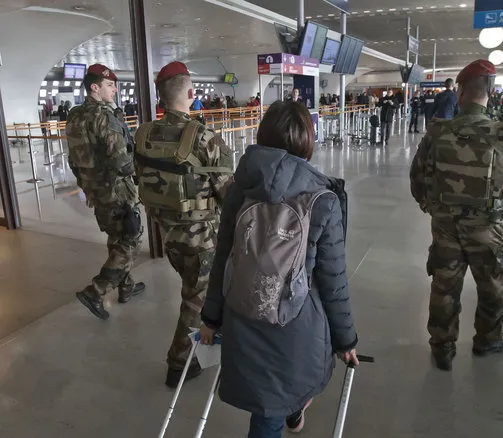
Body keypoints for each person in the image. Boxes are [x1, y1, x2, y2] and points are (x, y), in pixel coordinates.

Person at [200, 101, 358, 437]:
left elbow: (223, 259)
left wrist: (211, 318)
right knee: (271, 412)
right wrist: (346, 340)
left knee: (266, 400)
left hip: (242, 314)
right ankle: (294, 407)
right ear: (307, 142)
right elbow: (333, 282)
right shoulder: (322, 200)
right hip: (297, 323)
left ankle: (291, 406)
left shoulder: (239, 190)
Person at [409, 59, 503, 371]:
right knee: (491, 286)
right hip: (488, 229)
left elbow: (416, 180)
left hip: (445, 227)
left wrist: (433, 207)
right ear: (492, 92)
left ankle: (442, 347)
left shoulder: (437, 133)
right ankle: (488, 339)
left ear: (459, 91)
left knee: (444, 287)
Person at [133, 61, 234, 387]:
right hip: (201, 238)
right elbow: (228, 194)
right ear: (191, 94)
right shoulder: (205, 138)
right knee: (198, 297)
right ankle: (179, 363)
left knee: (199, 290)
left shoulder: (144, 134)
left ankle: (216, 340)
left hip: (168, 234)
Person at [66, 64, 145, 320]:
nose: (115, 90)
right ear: (94, 87)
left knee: (116, 237)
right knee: (131, 240)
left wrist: (86, 185)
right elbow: (122, 163)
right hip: (117, 191)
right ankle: (95, 292)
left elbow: (73, 158)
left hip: (95, 190)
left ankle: (126, 286)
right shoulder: (105, 116)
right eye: (110, 85)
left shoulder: (74, 115)